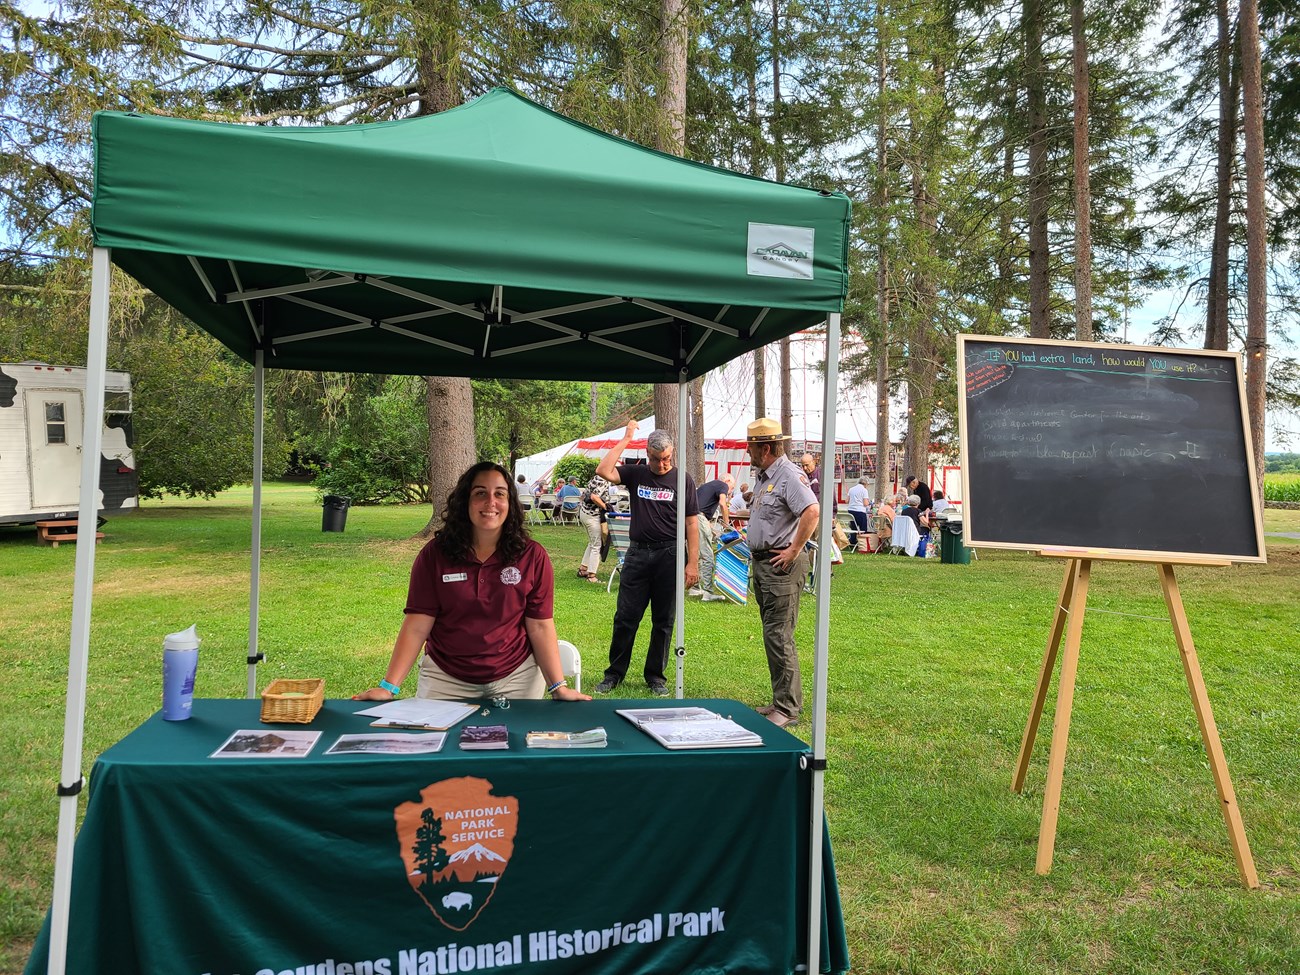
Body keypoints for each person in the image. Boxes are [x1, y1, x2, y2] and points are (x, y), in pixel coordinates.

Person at [354, 462, 590, 704]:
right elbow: (417, 624)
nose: (491, 502)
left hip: (518, 677)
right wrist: (388, 687)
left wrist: (558, 687)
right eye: (480, 493)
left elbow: (539, 626)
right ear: (465, 501)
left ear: (510, 503)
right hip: (445, 679)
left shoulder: (532, 556)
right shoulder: (435, 555)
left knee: (517, 741)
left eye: (500, 493)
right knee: (440, 741)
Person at [592, 421, 700, 696]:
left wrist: (692, 562)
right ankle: (614, 673)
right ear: (647, 454)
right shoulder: (637, 474)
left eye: (666, 459)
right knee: (626, 616)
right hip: (638, 553)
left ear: (672, 453)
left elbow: (691, 524)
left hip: (671, 554)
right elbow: (603, 470)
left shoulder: (683, 479)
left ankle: (655, 677)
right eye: (655, 458)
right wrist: (627, 438)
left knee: (663, 620)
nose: (661, 464)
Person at [745, 418, 819, 728]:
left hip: (781, 567)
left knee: (779, 634)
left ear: (765, 449)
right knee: (772, 634)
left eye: (751, 447)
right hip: (764, 564)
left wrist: (793, 550)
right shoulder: (765, 477)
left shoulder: (788, 474)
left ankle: (787, 708)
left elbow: (812, 511)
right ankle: (780, 700)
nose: (748, 452)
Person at [691, 472, 733, 601]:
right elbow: (722, 504)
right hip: (699, 519)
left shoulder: (706, 486)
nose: (730, 491)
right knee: (707, 555)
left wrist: (714, 531)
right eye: (732, 487)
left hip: (690, 519)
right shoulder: (722, 485)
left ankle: (695, 587)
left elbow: (699, 510)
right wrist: (727, 526)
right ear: (727, 481)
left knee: (694, 554)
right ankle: (708, 591)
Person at [577, 471, 612, 582]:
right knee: (597, 545)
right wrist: (605, 506)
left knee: (592, 543)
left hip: (584, 513)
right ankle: (592, 576)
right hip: (592, 516)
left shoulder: (596, 477)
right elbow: (594, 497)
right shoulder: (602, 480)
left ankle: (583, 569)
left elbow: (583, 496)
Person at [846, 477, 871, 548]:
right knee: (863, 528)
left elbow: (847, 501)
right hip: (860, 511)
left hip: (851, 510)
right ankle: (863, 543)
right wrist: (869, 503)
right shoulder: (864, 490)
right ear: (866, 484)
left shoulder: (851, 489)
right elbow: (865, 503)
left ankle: (853, 540)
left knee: (854, 527)